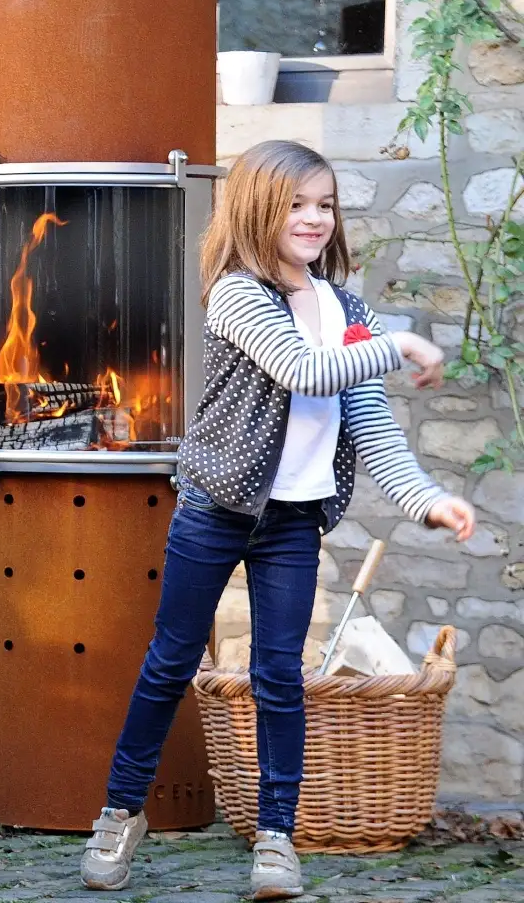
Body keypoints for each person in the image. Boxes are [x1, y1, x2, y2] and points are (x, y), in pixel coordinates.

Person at [80, 140, 478, 901]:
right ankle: (120, 811)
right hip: (214, 510)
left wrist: (426, 498)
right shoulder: (237, 293)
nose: (315, 218)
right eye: (298, 203)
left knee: (278, 678)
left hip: (293, 521)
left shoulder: (346, 309)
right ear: (258, 207)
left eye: (326, 204)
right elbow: (301, 368)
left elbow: (369, 423)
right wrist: (400, 342)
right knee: (169, 664)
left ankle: (275, 837)